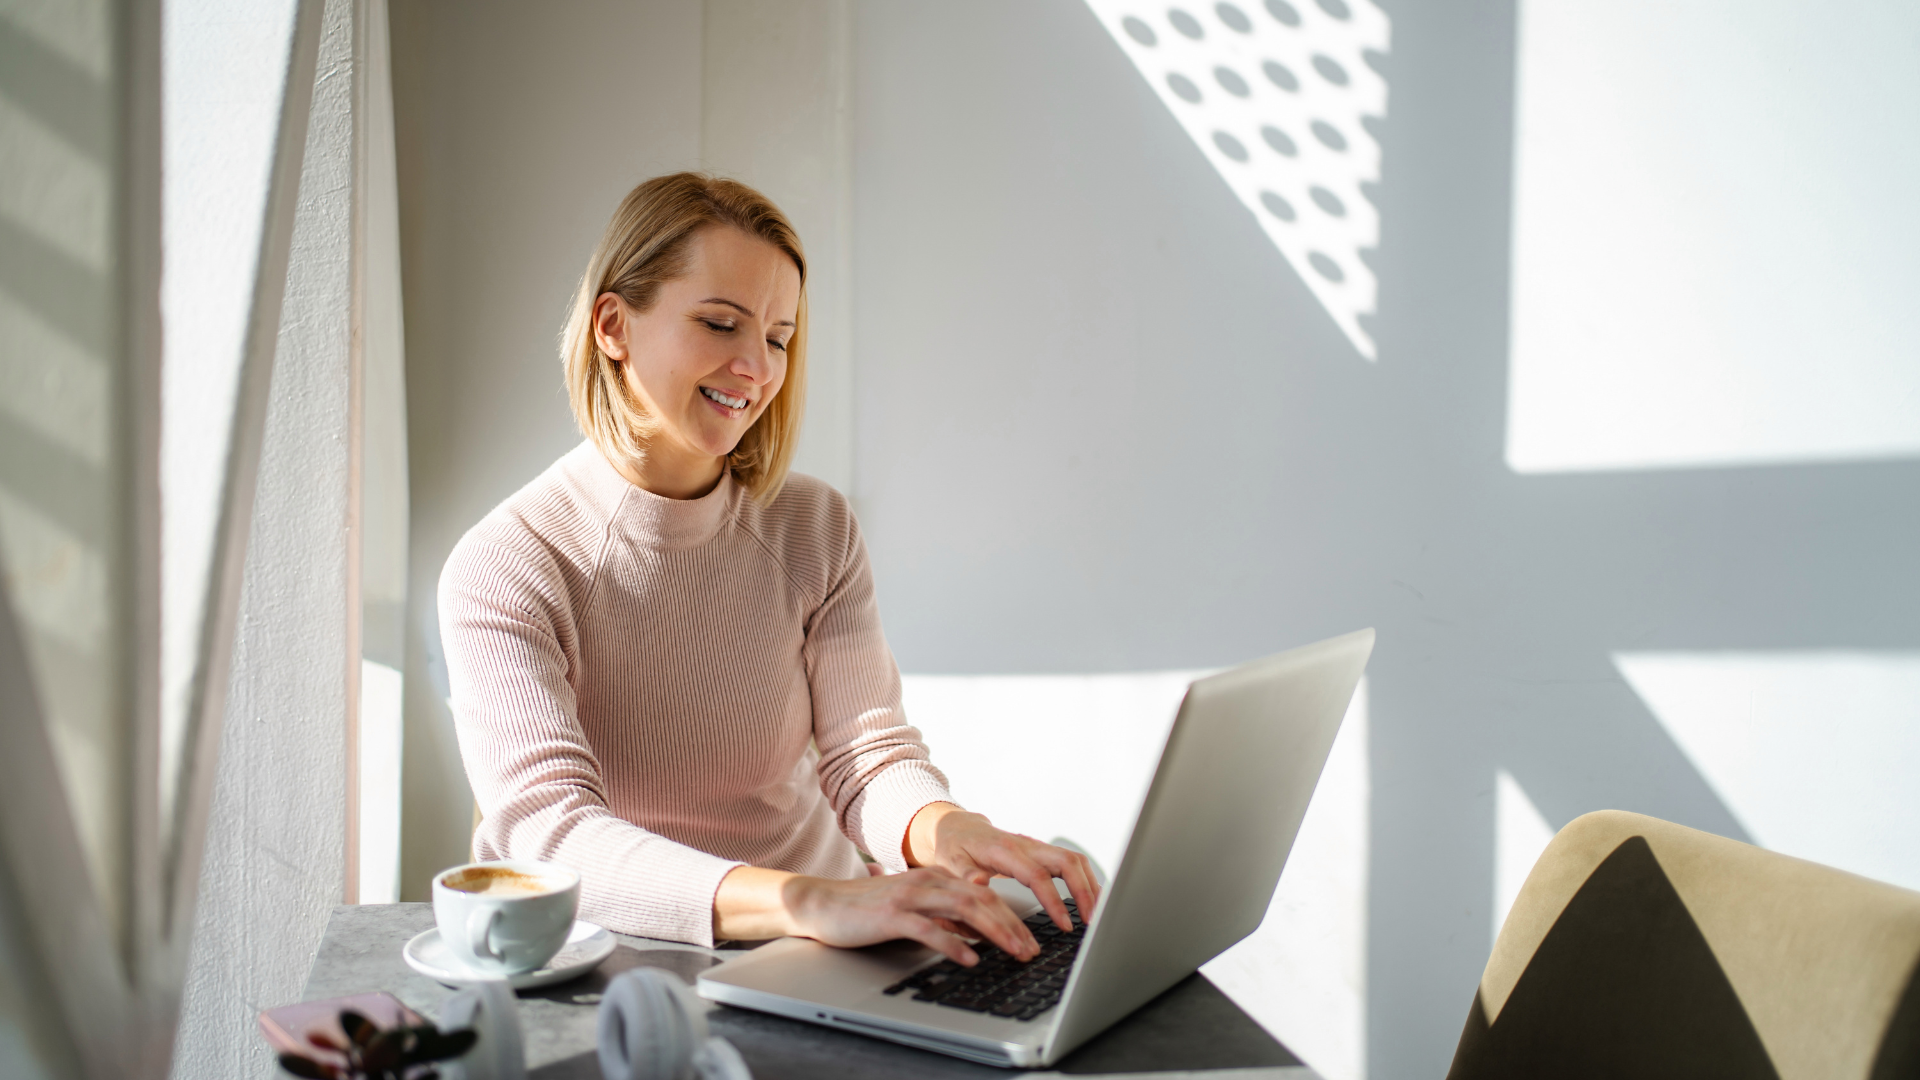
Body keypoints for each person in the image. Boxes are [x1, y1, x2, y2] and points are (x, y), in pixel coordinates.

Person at [440, 173, 1098, 968]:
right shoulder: (507, 565)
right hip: (650, 958)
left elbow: (869, 758)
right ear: (613, 325)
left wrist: (947, 830)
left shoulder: (813, 527)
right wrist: (804, 900)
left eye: (779, 337)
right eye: (721, 323)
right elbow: (554, 838)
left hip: (844, 943)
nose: (756, 366)